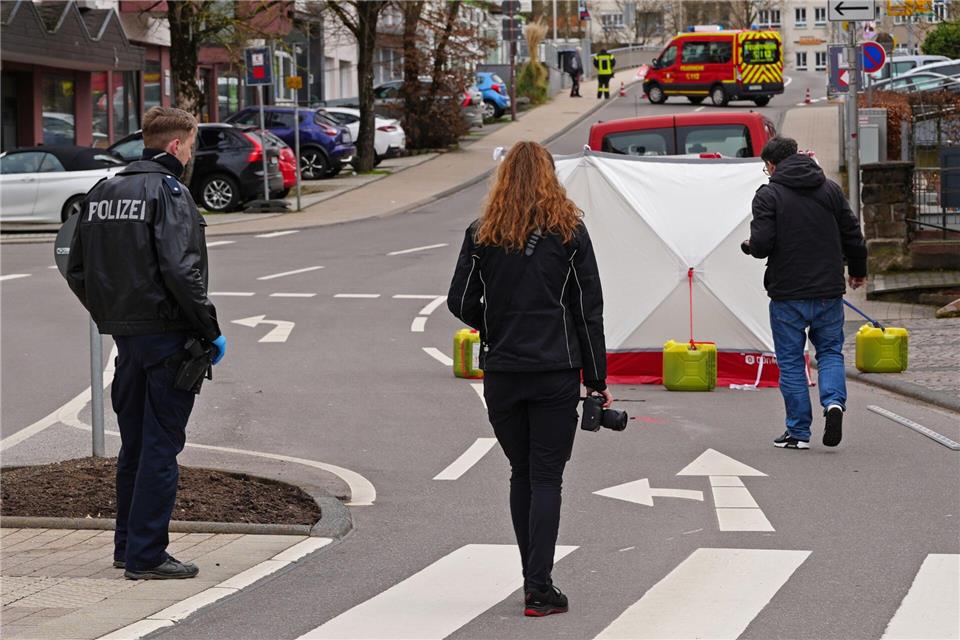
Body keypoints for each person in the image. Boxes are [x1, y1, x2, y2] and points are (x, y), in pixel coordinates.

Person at [447, 141, 610, 617]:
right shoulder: (570, 233)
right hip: (556, 372)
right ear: (550, 177)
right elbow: (587, 312)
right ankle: (539, 587)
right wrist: (596, 380)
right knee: (546, 477)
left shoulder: (482, 233)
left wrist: (493, 323)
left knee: (522, 473)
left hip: (502, 373)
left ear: (502, 181)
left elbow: (460, 300)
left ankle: (532, 578)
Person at [66, 106, 226, 580]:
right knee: (160, 448)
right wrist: (210, 328)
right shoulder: (170, 192)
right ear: (176, 145)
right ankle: (148, 555)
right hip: (168, 340)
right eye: (191, 144)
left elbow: (76, 268)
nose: (191, 152)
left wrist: (110, 313)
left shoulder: (102, 190)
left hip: (126, 341)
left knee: (134, 447)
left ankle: (127, 546)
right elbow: (181, 270)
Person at [742, 136, 867, 450]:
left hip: (788, 294)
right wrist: (857, 270)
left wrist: (749, 246)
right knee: (829, 353)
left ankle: (798, 433)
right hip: (828, 291)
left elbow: (762, 245)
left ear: (772, 165)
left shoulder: (769, 195)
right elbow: (852, 232)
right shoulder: (829, 189)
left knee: (792, 362)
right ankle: (834, 404)